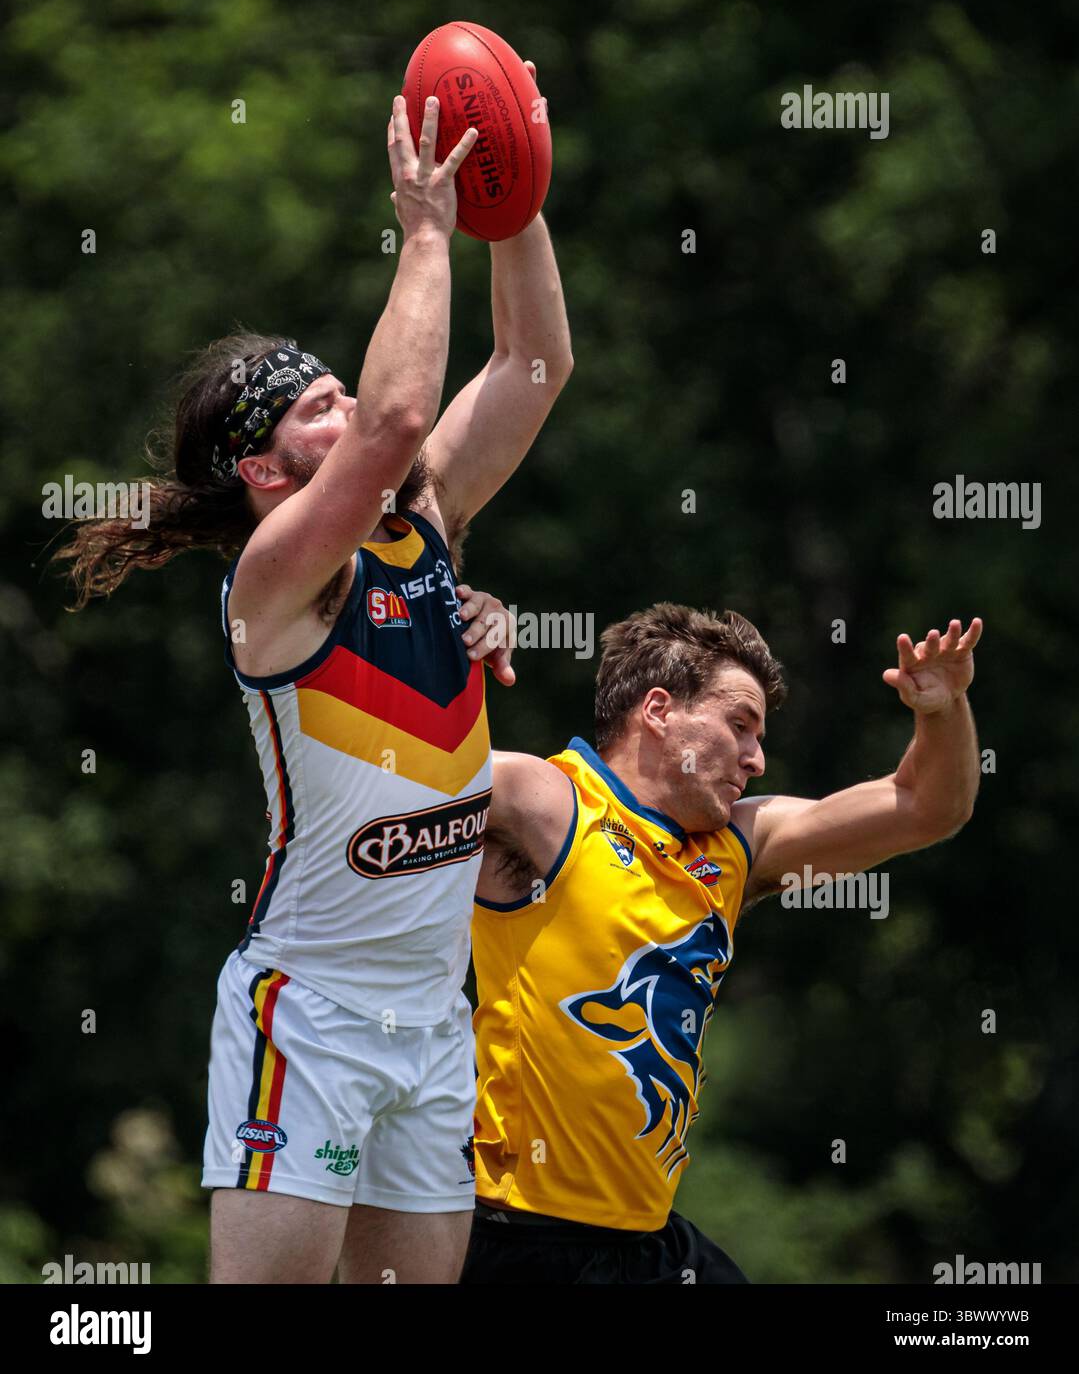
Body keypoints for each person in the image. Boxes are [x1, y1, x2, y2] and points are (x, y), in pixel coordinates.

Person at [55, 81, 572, 1284]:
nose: (347, 407)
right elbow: (397, 417)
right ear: (265, 472)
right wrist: (427, 228)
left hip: (434, 1018)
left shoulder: (422, 523)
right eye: (313, 407)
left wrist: (517, 192)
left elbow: (534, 363)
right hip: (316, 1014)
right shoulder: (272, 579)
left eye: (338, 387)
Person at [462, 602, 981, 1283]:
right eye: (739, 726)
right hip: (518, 1232)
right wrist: (456, 623)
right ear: (657, 710)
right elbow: (406, 772)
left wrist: (942, 710)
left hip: (649, 1241)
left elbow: (926, 807)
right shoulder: (551, 800)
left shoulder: (737, 846)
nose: (756, 760)